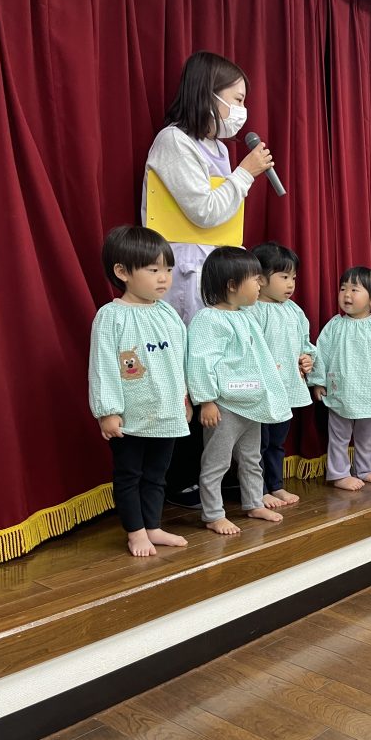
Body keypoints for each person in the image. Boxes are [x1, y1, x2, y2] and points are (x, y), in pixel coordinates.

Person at [144, 51, 275, 508]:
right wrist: (245, 173)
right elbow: (204, 211)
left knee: (218, 361)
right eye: (236, 99)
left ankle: (217, 474)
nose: (241, 111)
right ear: (208, 94)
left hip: (216, 269)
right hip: (184, 271)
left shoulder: (218, 148)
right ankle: (181, 479)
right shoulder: (173, 141)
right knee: (188, 365)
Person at [88, 226, 191, 557]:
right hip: (131, 416)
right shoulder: (111, 316)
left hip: (168, 412)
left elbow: (181, 359)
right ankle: (135, 532)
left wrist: (185, 398)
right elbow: (103, 366)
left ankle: (153, 525)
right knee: (130, 475)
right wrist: (108, 411)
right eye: (153, 269)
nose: (164, 278)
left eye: (168, 269)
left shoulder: (167, 313)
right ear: (122, 272)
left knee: (157, 475)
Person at [187, 248, 291, 534]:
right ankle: (213, 514)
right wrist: (207, 401)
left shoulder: (246, 316)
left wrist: (269, 374)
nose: (260, 284)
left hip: (252, 403)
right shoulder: (208, 320)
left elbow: (255, 355)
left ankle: (254, 502)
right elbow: (200, 361)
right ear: (232, 285)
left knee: (251, 458)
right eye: (255, 279)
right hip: (226, 406)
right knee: (216, 462)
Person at [308, 267, 371, 491]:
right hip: (340, 392)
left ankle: (364, 469)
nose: (346, 294)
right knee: (339, 436)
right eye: (343, 288)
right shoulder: (334, 325)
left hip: (370, 393)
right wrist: (318, 381)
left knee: (365, 436)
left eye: (354, 289)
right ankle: (339, 474)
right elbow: (320, 354)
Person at [250, 242, 316, 507]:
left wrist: (308, 358)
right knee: (258, 443)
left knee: (277, 441)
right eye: (284, 277)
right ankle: (259, 489)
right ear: (260, 278)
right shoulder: (251, 310)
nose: (291, 284)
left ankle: (276, 485)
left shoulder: (294, 310)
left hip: (287, 388)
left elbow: (305, 342)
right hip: (261, 392)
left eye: (294, 278)